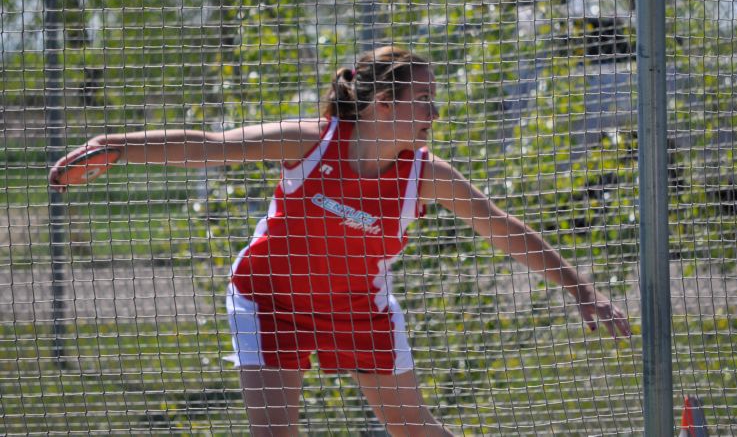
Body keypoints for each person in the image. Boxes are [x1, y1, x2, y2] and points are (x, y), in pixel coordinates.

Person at [50, 46, 631, 436]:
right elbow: (211, 144)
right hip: (270, 301)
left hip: (357, 310)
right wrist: (117, 144)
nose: (436, 111)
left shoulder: (425, 175)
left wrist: (579, 289)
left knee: (415, 429)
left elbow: (501, 227)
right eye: (425, 100)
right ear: (384, 105)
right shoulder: (312, 142)